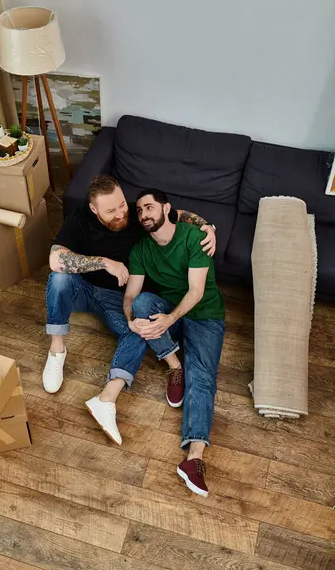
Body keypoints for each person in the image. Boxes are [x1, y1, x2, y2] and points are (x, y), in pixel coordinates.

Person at [86, 188, 225, 497]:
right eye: (139, 210)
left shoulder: (193, 238)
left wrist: (169, 320)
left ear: (167, 208)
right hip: (169, 315)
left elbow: (196, 291)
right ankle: (175, 366)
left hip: (205, 315)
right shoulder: (140, 250)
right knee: (144, 303)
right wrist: (130, 317)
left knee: (202, 378)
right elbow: (132, 295)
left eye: (149, 207)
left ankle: (194, 459)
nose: (144, 213)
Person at [43, 175, 216, 396]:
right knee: (59, 278)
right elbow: (55, 259)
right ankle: (57, 350)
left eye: (122, 204)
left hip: (118, 298)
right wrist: (105, 263)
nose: (120, 214)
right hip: (83, 289)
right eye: (110, 211)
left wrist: (208, 227)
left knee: (140, 330)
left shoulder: (136, 214)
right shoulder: (78, 218)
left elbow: (179, 215)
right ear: (94, 210)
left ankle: (110, 392)